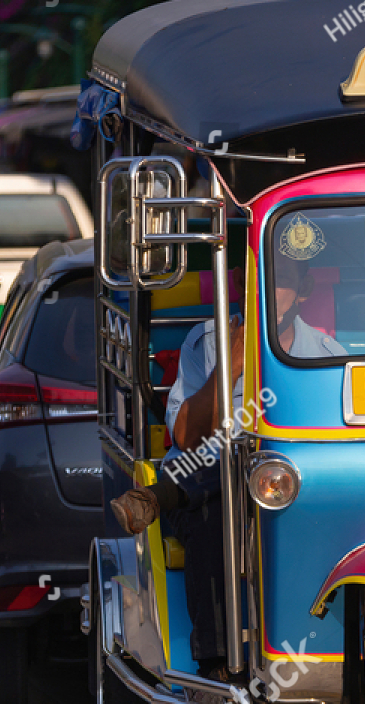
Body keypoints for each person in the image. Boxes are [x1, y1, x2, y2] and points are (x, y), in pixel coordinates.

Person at [108, 252, 343, 677]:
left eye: (284, 279)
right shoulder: (206, 341)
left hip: (287, 490)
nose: (272, 290)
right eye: (262, 277)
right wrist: (229, 370)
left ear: (305, 289)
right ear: (239, 281)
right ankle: (219, 661)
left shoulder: (328, 354)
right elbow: (186, 436)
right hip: (211, 481)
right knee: (220, 503)